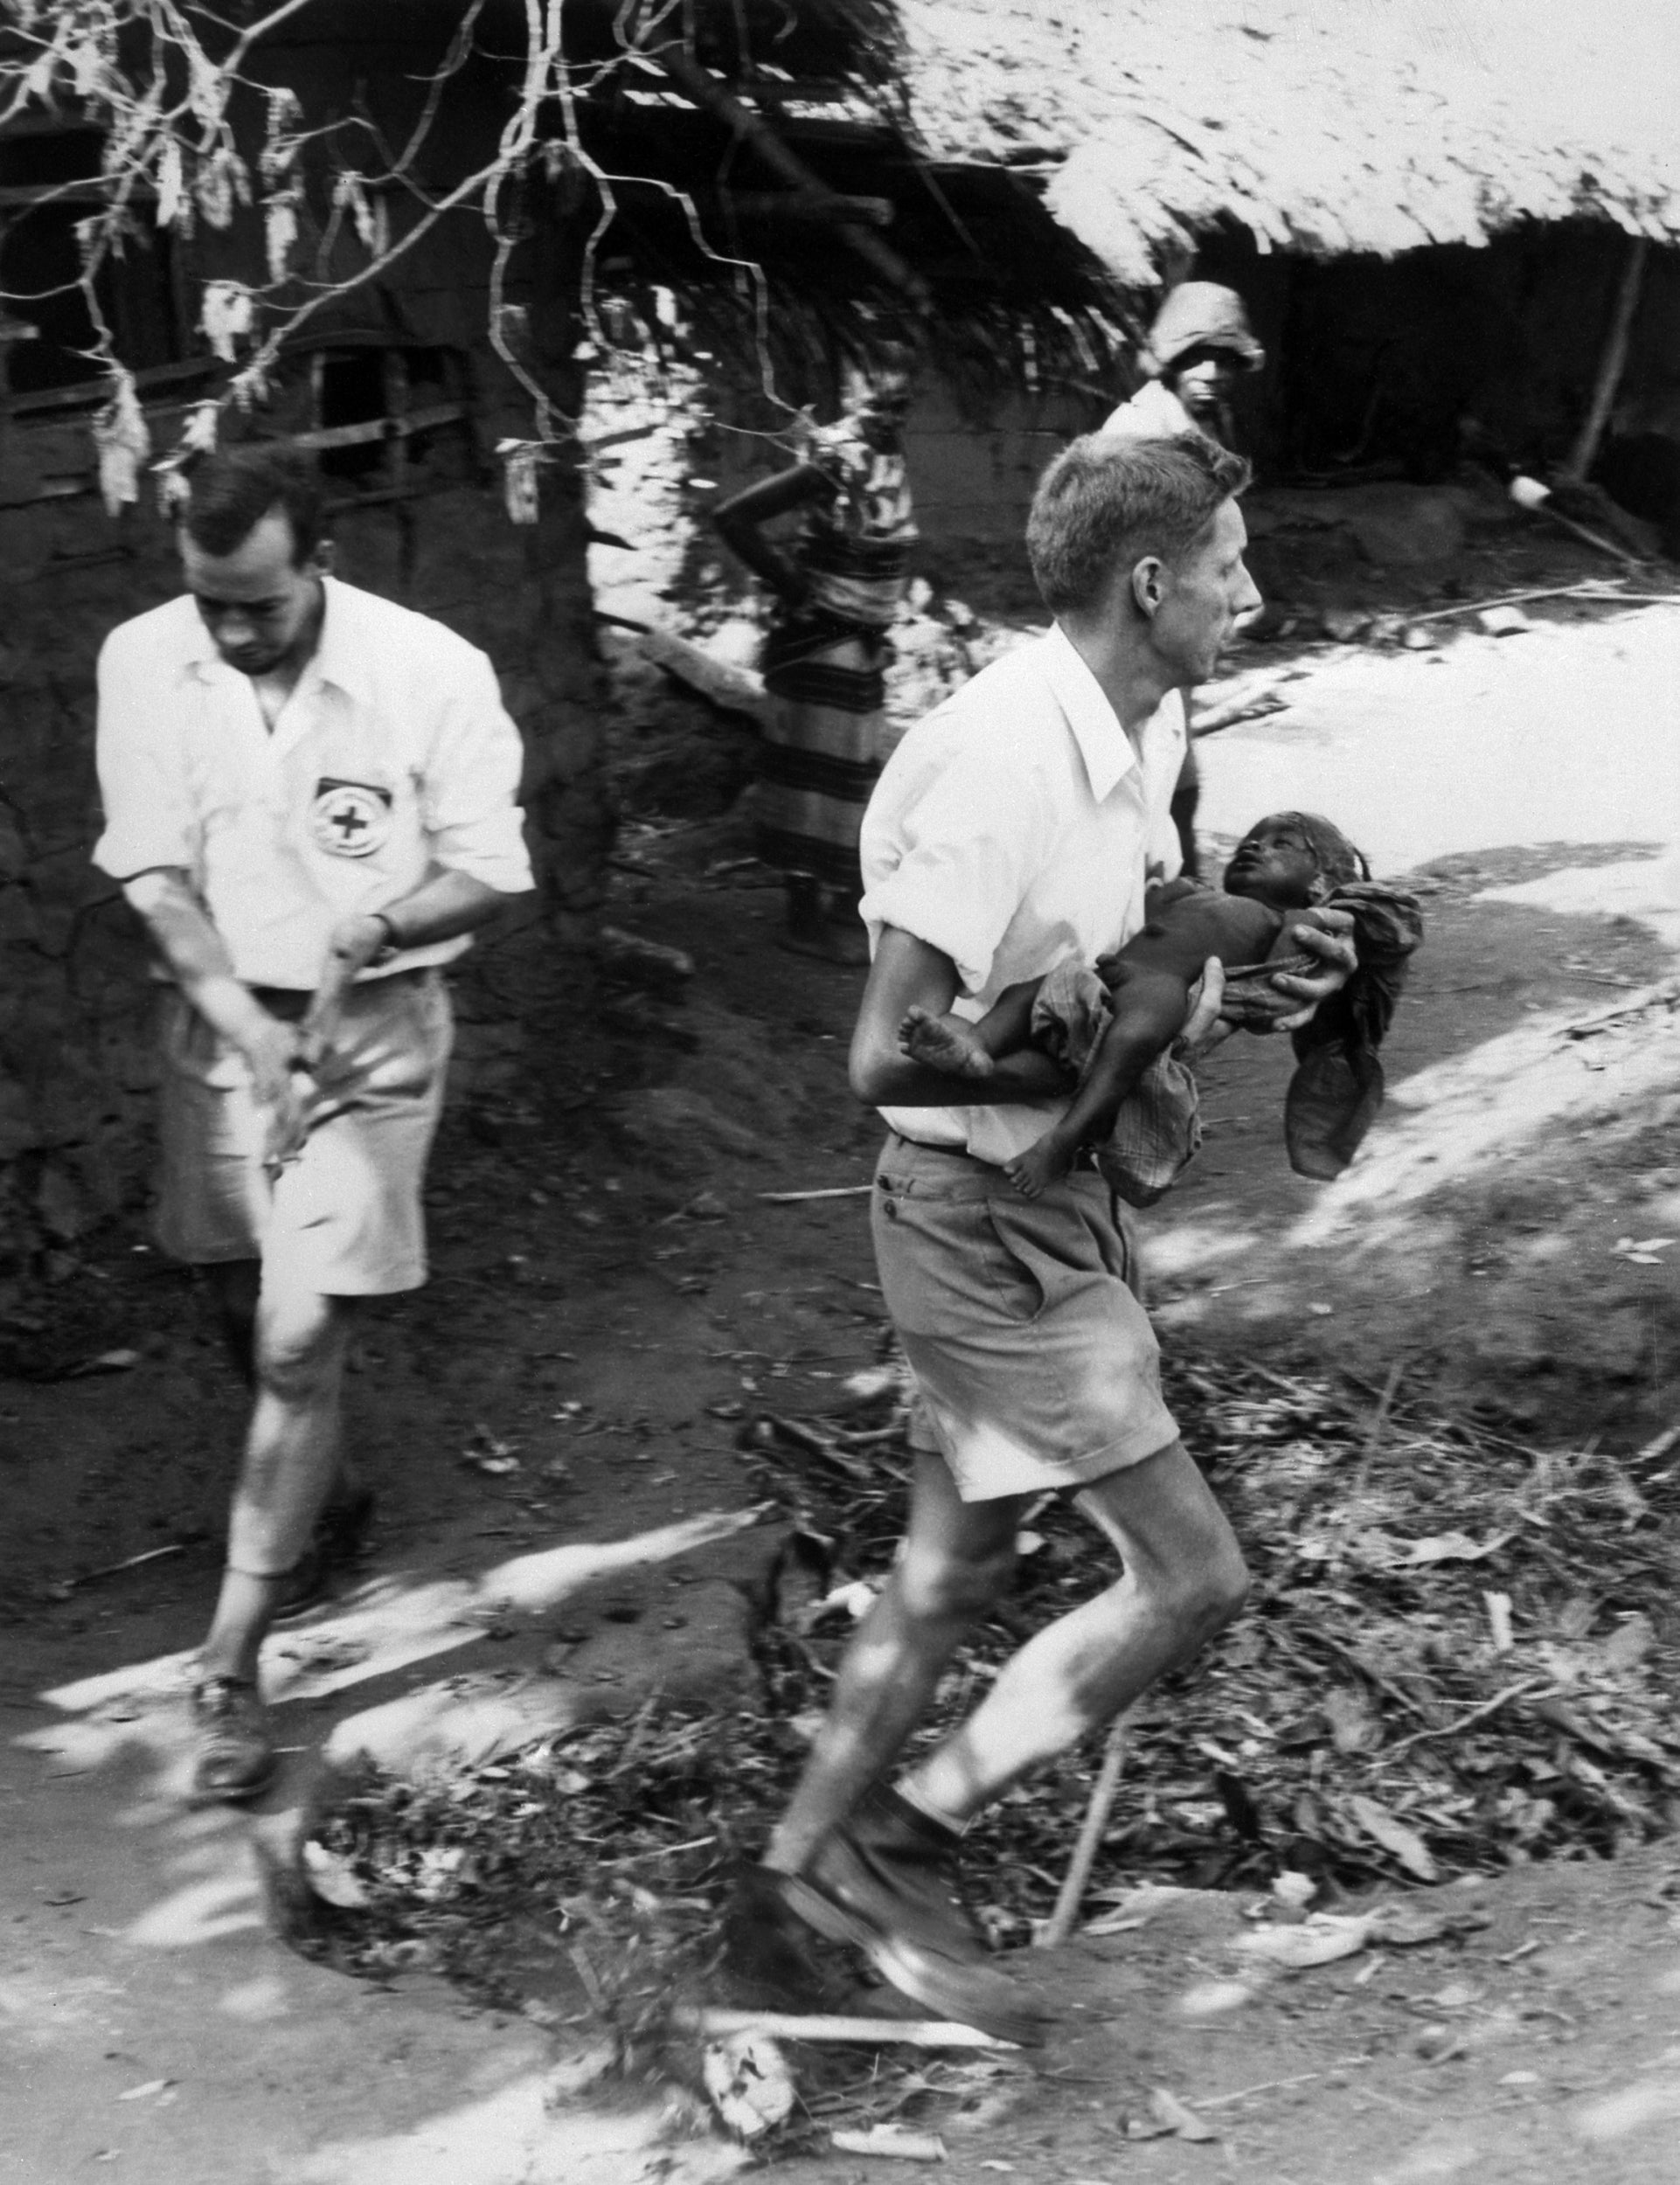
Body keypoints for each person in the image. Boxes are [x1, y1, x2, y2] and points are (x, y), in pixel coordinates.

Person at [722, 432, 1356, 2043]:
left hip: (1038, 1210)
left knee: (952, 1570)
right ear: (1151, 582)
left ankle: (789, 1890)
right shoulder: (1004, 758)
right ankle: (901, 1836)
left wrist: (1250, 987)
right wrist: (1082, 1062)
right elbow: (885, 1054)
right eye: (1228, 565)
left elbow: (1126, 974)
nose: (1251, 593)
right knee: (1193, 1575)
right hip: (979, 1224)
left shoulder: (1129, 733)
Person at [92, 445, 533, 1803]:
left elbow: (492, 870)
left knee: (297, 1339)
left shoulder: (430, 674)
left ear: (320, 563)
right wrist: (243, 1029)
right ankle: (317, 1494)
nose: (231, 633)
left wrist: (390, 918)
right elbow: (155, 875)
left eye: (261, 608)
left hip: (369, 1034)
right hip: (224, 1026)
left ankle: (231, 1667)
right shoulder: (142, 663)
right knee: (232, 1296)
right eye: (208, 599)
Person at [900, 810, 1420, 1201]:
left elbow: (1322, 958)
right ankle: (975, 1044)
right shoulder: (1200, 895)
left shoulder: (1285, 924)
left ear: (1321, 884)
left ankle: (1064, 1139)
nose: (1255, 847)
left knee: (1136, 1030)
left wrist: (1325, 924)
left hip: (1161, 990)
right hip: (1106, 974)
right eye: (1251, 840)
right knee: (1027, 993)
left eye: (1281, 844)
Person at [713, 357, 917, 963]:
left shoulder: (888, 458)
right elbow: (733, 517)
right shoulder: (836, 459)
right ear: (852, 396)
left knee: (845, 776)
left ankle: (835, 903)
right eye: (876, 402)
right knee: (810, 782)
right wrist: (794, 587)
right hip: (820, 643)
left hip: (857, 644)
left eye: (900, 404)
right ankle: (800, 921)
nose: (888, 415)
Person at [1100, 281, 1266, 879]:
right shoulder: (1138, 431)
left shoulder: (1195, 430)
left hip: (1175, 624)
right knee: (1135, 775)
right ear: (1169, 359)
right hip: (1132, 628)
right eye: (1196, 355)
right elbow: (1107, 545)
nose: (1210, 371)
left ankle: (1180, 891)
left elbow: (1208, 536)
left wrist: (1224, 598)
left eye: (1224, 359)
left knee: (1178, 768)